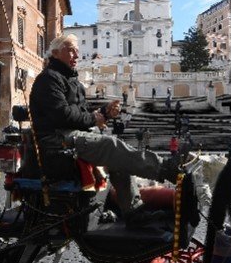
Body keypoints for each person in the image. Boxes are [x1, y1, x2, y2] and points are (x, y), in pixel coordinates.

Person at [29, 34, 179, 226]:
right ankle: (165, 169)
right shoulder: (48, 79)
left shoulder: (72, 81)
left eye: (77, 50)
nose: (76, 55)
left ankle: (133, 210)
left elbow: (80, 116)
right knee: (110, 145)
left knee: (116, 157)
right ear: (56, 53)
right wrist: (94, 117)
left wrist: (104, 113)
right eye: (71, 50)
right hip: (56, 138)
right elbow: (63, 116)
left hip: (72, 134)